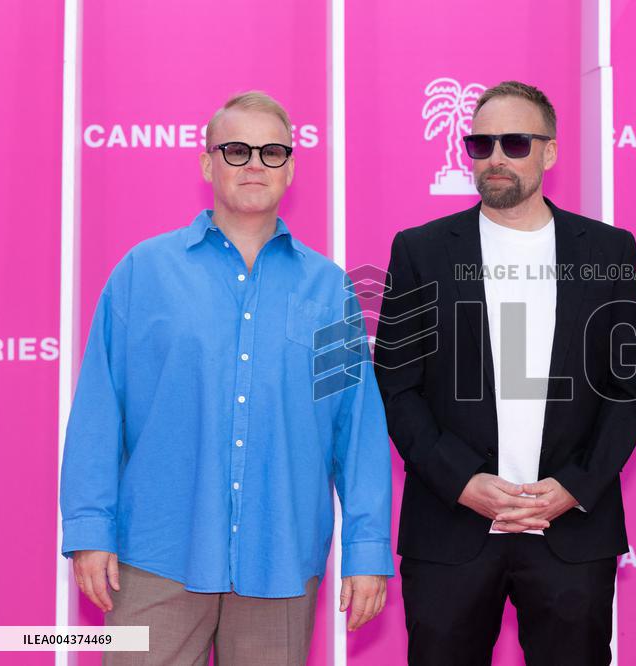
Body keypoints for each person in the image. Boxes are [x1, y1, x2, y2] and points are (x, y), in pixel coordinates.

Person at [59, 91, 393, 665]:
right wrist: (90, 530)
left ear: (291, 166)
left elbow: (356, 433)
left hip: (280, 560)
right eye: (236, 150)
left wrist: (367, 551)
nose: (255, 164)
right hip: (156, 556)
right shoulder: (143, 272)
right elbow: (98, 410)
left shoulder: (328, 288)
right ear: (207, 162)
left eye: (272, 150)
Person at [373, 80, 636, 666]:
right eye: (482, 143)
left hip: (571, 534)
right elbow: (398, 388)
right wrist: (462, 482)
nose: (496, 157)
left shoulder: (608, 251)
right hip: (451, 531)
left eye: (516, 142)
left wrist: (574, 485)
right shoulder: (420, 251)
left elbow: (629, 392)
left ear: (550, 152)